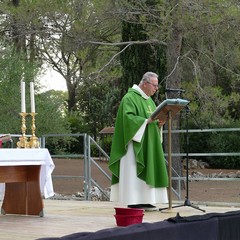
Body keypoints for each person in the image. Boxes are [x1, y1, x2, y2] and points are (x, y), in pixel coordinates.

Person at [108, 71, 168, 210]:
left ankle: (146, 199)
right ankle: (134, 200)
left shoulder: (150, 101)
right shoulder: (129, 98)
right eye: (154, 85)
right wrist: (146, 121)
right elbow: (128, 119)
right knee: (134, 170)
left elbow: (153, 119)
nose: (156, 88)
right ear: (145, 83)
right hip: (134, 145)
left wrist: (159, 123)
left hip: (149, 143)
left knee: (148, 168)